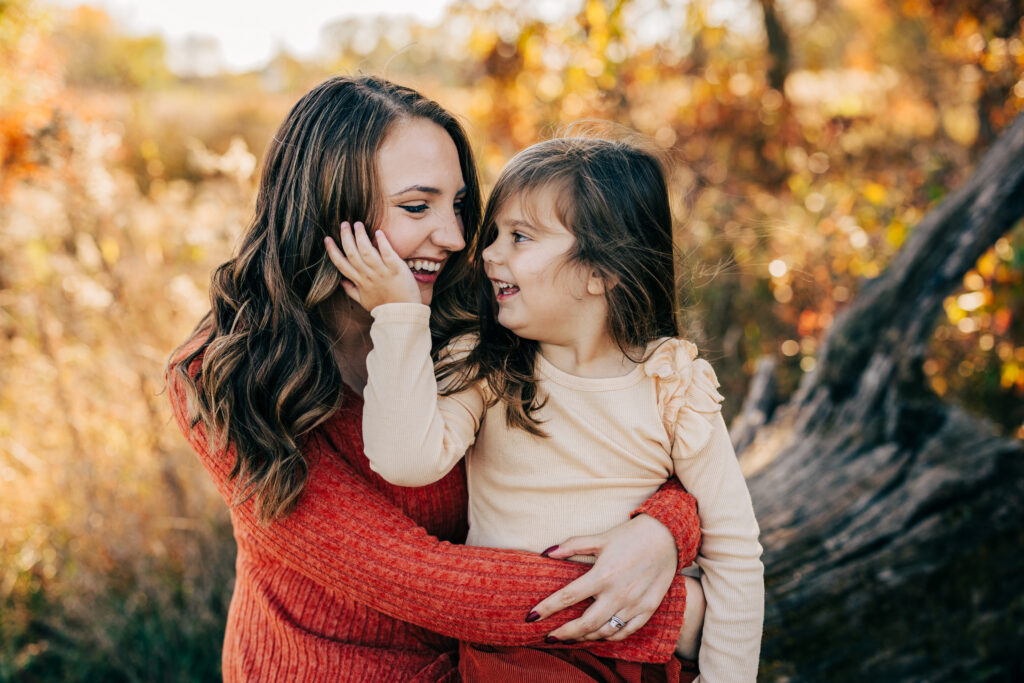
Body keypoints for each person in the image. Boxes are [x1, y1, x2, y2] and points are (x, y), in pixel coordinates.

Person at [166, 76, 706, 682]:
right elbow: (414, 577)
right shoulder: (222, 374)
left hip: (490, 665)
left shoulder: (471, 325)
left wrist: (663, 529)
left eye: (458, 207)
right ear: (328, 206)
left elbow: (622, 435)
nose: (453, 238)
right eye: (417, 207)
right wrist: (677, 616)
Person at [325, 136, 765, 681]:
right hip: (510, 662)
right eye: (495, 233)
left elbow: (736, 556)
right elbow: (406, 460)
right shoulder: (486, 362)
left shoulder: (672, 382)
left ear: (601, 271)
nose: (485, 252)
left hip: (640, 660)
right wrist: (398, 315)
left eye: (520, 237)